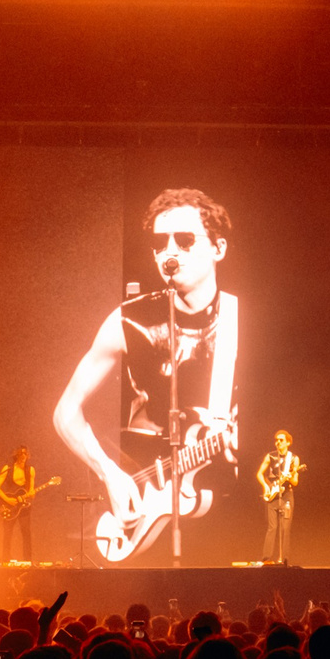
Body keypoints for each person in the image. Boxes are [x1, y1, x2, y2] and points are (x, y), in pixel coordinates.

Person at [54, 188, 241, 563]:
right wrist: (110, 473)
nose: (170, 251)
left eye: (185, 240)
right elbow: (65, 411)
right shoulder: (127, 321)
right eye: (160, 243)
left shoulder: (246, 321)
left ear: (218, 248)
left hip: (235, 518)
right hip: (150, 507)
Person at [0, 446, 49, 566]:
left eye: (25, 455)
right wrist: (7, 499)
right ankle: (5, 559)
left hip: (24, 506)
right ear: (16, 455)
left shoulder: (30, 470)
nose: (23, 457)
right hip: (9, 505)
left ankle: (27, 560)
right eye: (21, 454)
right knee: (7, 532)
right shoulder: (8, 468)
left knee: (26, 532)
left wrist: (32, 493)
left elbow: (31, 490)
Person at [258, 430, 303, 565]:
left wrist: (290, 477)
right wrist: (266, 487)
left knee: (285, 528)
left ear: (288, 442)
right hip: (272, 494)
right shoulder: (270, 456)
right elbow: (259, 474)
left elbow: (295, 482)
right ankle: (266, 558)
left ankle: (284, 559)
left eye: (281, 440)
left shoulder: (294, 459)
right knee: (272, 527)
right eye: (276, 440)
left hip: (286, 496)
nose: (278, 442)